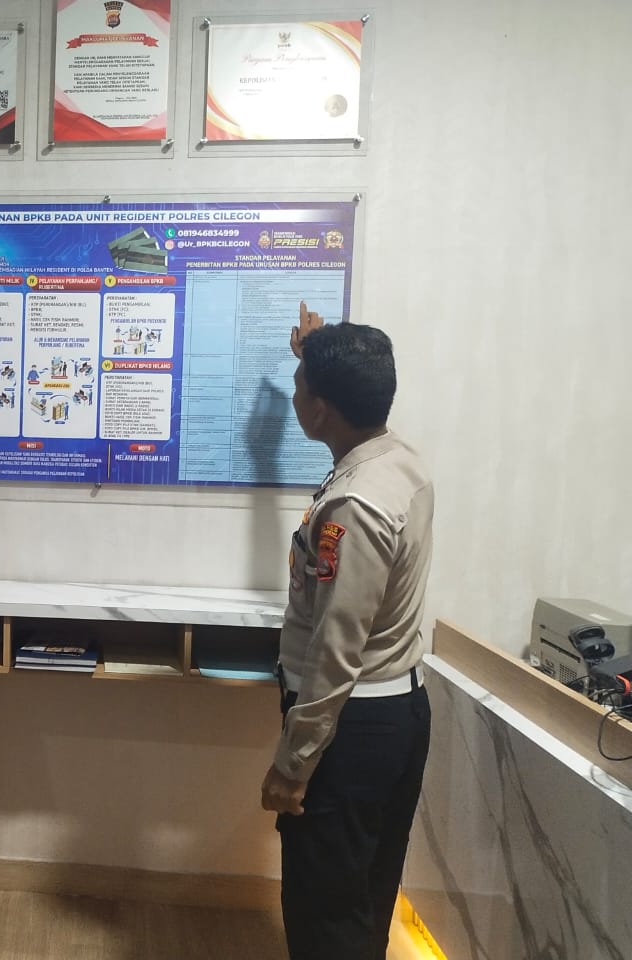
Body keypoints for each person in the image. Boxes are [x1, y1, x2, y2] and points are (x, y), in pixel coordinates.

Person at [260, 303, 435, 960]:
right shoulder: (398, 459)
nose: (295, 396)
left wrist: (293, 764)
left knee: (324, 913)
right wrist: (315, 354)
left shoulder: (354, 506)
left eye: (301, 387)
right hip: (394, 715)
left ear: (321, 410)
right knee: (364, 896)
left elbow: (336, 652)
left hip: (348, 730)